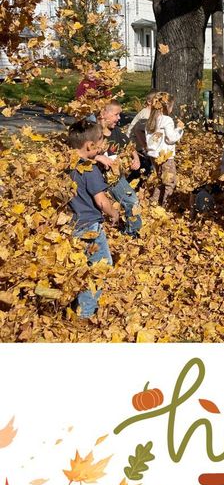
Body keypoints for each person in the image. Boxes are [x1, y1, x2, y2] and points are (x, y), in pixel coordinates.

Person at [66, 118, 119, 318]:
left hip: (70, 225)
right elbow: (101, 201)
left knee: (79, 267)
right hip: (90, 227)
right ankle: (85, 313)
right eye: (100, 143)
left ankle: (74, 304)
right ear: (89, 145)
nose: (102, 147)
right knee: (100, 267)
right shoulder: (90, 170)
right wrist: (114, 213)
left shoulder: (66, 165)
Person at [95, 101, 143, 237]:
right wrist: (98, 157)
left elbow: (129, 146)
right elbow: (80, 153)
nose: (119, 118)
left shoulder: (116, 131)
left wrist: (136, 158)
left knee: (132, 201)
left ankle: (131, 232)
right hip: (96, 178)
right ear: (103, 114)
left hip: (115, 179)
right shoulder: (92, 132)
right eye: (116, 114)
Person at [143, 92, 183, 206]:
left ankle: (154, 202)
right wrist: (179, 129)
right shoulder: (166, 120)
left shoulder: (151, 120)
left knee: (160, 180)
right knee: (170, 182)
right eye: (171, 106)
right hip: (165, 157)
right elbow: (171, 138)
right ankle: (167, 205)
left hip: (153, 155)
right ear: (166, 107)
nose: (171, 109)